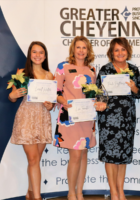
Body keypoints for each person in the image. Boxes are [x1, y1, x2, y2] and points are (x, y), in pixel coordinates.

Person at [96, 37, 140, 200]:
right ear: (111, 52)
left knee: (123, 156)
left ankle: (121, 191)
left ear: (127, 51)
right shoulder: (105, 70)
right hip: (108, 119)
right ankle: (113, 192)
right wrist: (100, 103)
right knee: (110, 155)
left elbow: (139, 94)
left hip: (127, 119)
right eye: (116, 50)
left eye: (123, 49)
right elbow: (99, 94)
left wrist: (133, 86)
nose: (120, 53)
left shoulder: (134, 70)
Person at [9, 41, 54, 200]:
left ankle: (30, 193)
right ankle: (37, 197)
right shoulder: (22, 73)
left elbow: (51, 102)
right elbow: (13, 96)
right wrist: (12, 96)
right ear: (30, 55)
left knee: (36, 160)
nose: (38, 55)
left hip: (42, 118)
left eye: (41, 52)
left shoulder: (49, 75)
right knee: (33, 159)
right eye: (34, 52)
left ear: (45, 55)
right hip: (27, 118)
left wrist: (50, 105)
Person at [53, 36, 96, 200]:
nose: (81, 51)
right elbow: (56, 92)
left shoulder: (92, 70)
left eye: (84, 48)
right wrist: (65, 102)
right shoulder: (63, 67)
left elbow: (93, 94)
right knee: (76, 155)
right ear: (73, 49)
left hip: (86, 118)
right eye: (78, 47)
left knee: (83, 154)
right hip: (69, 117)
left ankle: (80, 192)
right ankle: (71, 193)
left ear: (88, 51)